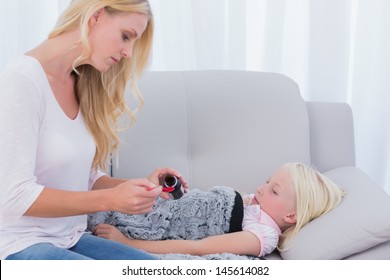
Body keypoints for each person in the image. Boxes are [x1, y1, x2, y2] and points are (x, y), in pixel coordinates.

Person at [0, 0, 187, 260]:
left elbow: (84, 178)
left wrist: (139, 187)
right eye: (126, 36)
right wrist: (111, 200)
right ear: (96, 15)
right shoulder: (23, 81)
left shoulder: (82, 82)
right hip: (19, 246)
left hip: (71, 239)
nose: (128, 53)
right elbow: (14, 196)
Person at [90, 162, 345, 258]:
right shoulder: (256, 204)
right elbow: (208, 204)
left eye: (274, 190)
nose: (261, 188)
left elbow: (200, 246)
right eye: (268, 181)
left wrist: (128, 243)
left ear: (291, 216)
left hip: (152, 233)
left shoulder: (262, 235)